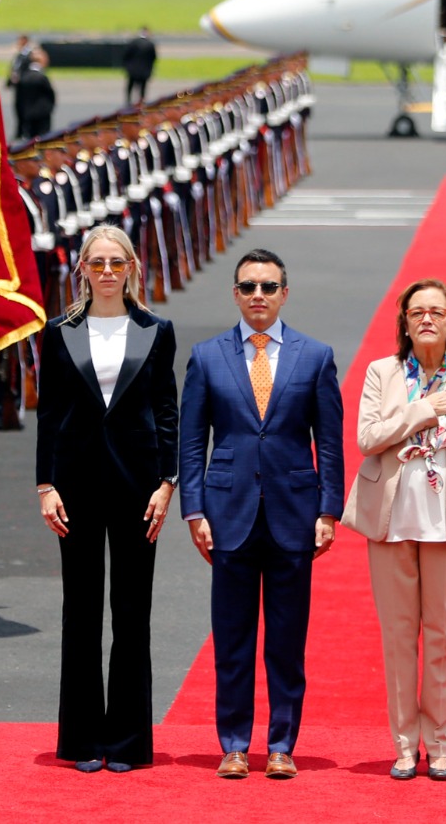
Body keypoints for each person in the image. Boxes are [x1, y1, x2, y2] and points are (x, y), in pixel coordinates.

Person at [179, 248, 344, 780]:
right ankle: (232, 743)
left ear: (284, 294)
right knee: (232, 640)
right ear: (235, 294)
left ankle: (281, 744)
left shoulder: (315, 357)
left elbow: (331, 443)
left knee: (286, 641)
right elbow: (190, 442)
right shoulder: (206, 357)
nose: (258, 295)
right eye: (248, 286)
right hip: (228, 515)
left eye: (268, 287)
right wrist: (194, 509)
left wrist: (329, 510)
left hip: (295, 515)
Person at [342, 279, 446, 782]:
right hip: (392, 521)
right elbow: (368, 437)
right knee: (398, 638)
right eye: (416, 313)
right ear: (404, 323)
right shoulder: (381, 373)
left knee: (442, 638)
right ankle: (405, 745)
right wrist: (423, 411)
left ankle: (439, 743)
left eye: (436, 312)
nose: (426, 319)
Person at [36, 226, 178, 772]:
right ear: (82, 271)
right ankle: (79, 740)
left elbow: (167, 411)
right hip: (75, 487)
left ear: (133, 268)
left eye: (117, 262)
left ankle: (126, 742)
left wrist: (168, 483)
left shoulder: (155, 330)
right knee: (81, 612)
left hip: (139, 489)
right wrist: (45, 486)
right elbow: (49, 413)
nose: (108, 271)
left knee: (132, 613)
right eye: (97, 263)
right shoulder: (60, 331)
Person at [15, 50, 55, 140]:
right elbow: (50, 95)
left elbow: (18, 99)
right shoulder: (42, 78)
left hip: (27, 114)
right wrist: (49, 108)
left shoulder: (24, 77)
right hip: (43, 115)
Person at [123, 27, 157, 106]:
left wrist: (127, 67)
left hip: (133, 70)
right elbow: (153, 58)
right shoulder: (150, 44)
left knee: (130, 86)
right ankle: (142, 101)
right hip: (144, 70)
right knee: (143, 87)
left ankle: (128, 101)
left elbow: (126, 55)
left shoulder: (133, 42)